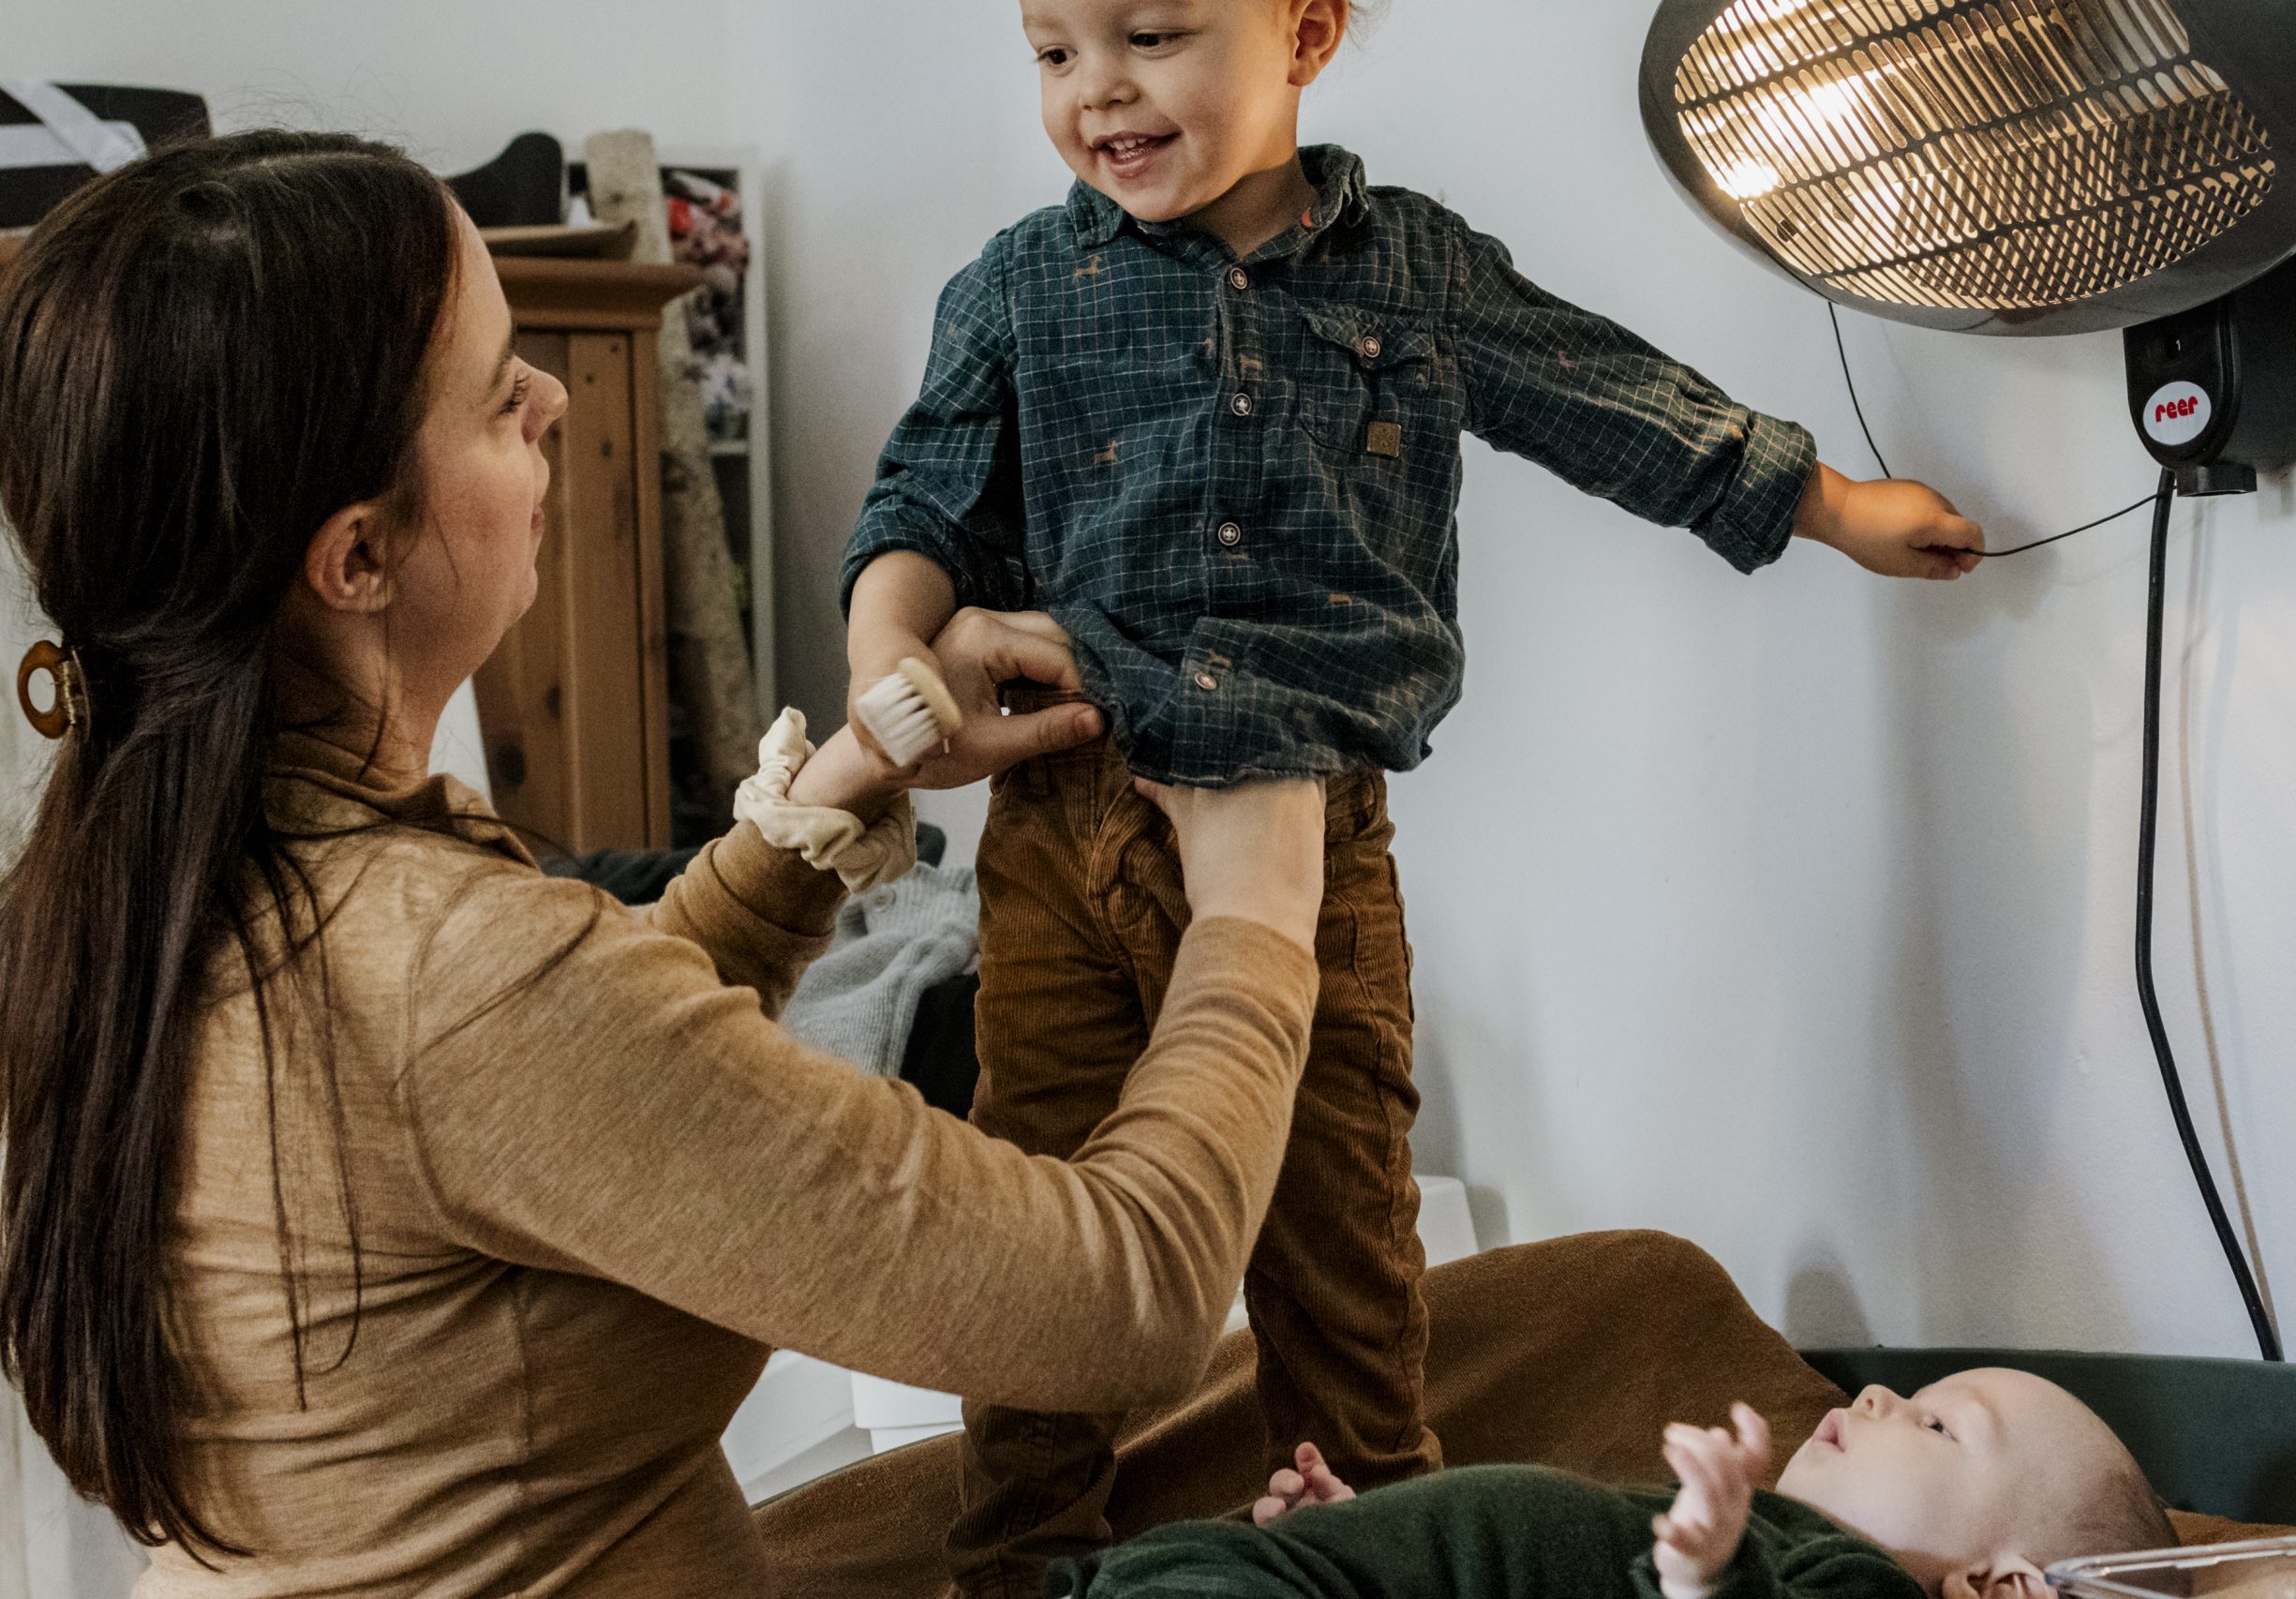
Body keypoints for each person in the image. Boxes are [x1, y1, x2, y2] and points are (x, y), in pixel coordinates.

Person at [0, 130, 1333, 1597]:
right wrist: (1258, 926)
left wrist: (820, 816)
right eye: (501, 396)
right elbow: (1124, 1297)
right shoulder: (454, 969)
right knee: (1588, 1316)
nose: (556, 398)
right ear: (356, 559)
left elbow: (564, 1075)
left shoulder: (126, 887)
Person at [838, 1, 1989, 1590]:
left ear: (1305, 31)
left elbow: (1612, 401)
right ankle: (1022, 1564)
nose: (1098, 88)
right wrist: (887, 653)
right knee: (1048, 1237)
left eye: (1152, 34)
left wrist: (1838, 505)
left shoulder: (1417, 273)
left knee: (1347, 1249)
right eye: (1053, 54)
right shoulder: (1019, 289)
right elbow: (920, 502)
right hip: (1072, 839)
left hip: (1317, 843)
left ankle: (1388, 1537)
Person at [1055, 1369, 2178, 1597]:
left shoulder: (1852, 1583)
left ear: (2001, 1588)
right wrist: (1371, 1537)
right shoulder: (1773, 1530)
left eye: (1939, 1422)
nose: (1879, 1389)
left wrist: (1706, 1579)